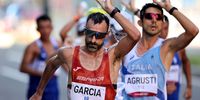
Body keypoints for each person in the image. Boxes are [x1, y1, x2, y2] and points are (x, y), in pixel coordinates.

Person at [29, 0, 141, 99]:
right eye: (90, 33)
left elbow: (135, 36)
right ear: (85, 31)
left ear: (107, 35)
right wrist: (39, 92)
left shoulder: (113, 56)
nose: (93, 40)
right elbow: (52, 64)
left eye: (99, 35)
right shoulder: (69, 53)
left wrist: (111, 10)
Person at [118, 0, 198, 100]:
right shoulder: (127, 47)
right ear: (140, 22)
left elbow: (193, 31)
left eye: (158, 17)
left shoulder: (166, 47)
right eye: (149, 16)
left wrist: (170, 9)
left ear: (162, 23)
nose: (154, 21)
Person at [19, 15, 62, 100]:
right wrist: (44, 73)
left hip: (53, 85)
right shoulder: (33, 47)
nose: (45, 31)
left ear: (52, 27)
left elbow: (64, 64)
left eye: (48, 27)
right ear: (37, 29)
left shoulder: (58, 44)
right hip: (36, 85)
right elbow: (23, 67)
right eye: (42, 28)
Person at [161, 15, 192, 100]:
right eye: (161, 29)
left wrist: (189, 86)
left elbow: (186, 62)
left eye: (166, 28)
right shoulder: (148, 50)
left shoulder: (178, 48)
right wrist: (161, 90)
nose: (163, 32)